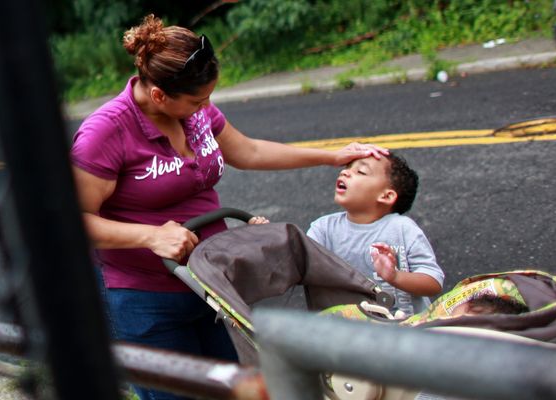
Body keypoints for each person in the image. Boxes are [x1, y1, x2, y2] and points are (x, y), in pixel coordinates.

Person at [69, 14, 387, 399]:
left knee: (243, 391)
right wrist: (150, 235)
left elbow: (248, 151)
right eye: (197, 100)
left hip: (212, 283)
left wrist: (330, 156)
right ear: (158, 96)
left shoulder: (194, 111)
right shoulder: (106, 132)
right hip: (147, 298)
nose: (205, 107)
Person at [307, 153, 444, 317]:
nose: (345, 172)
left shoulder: (402, 229)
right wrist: (271, 233)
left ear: (386, 196)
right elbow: (298, 262)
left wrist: (395, 276)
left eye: (361, 172)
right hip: (342, 331)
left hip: (406, 329)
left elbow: (433, 283)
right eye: (347, 168)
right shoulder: (323, 229)